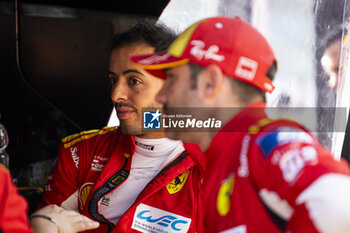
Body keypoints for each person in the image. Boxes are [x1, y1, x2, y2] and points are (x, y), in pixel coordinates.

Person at [131, 16, 350, 233]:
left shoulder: (264, 143)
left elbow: (339, 198)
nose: (161, 95)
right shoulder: (225, 158)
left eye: (171, 79)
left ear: (210, 83)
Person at [37, 21, 203, 233]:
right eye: (113, 80)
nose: (116, 95)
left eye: (134, 81)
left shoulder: (215, 167)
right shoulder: (82, 153)